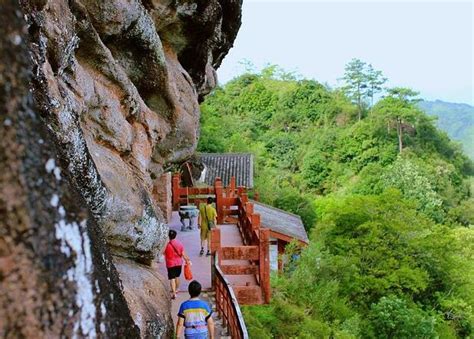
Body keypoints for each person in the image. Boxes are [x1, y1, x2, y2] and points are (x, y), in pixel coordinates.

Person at [164, 229, 190, 299]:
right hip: (179, 263)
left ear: (169, 236)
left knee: (172, 278)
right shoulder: (179, 244)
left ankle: (174, 293)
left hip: (170, 263)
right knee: (177, 276)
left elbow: (164, 253)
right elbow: (183, 254)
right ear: (175, 236)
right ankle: (177, 289)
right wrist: (187, 260)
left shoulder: (166, 245)